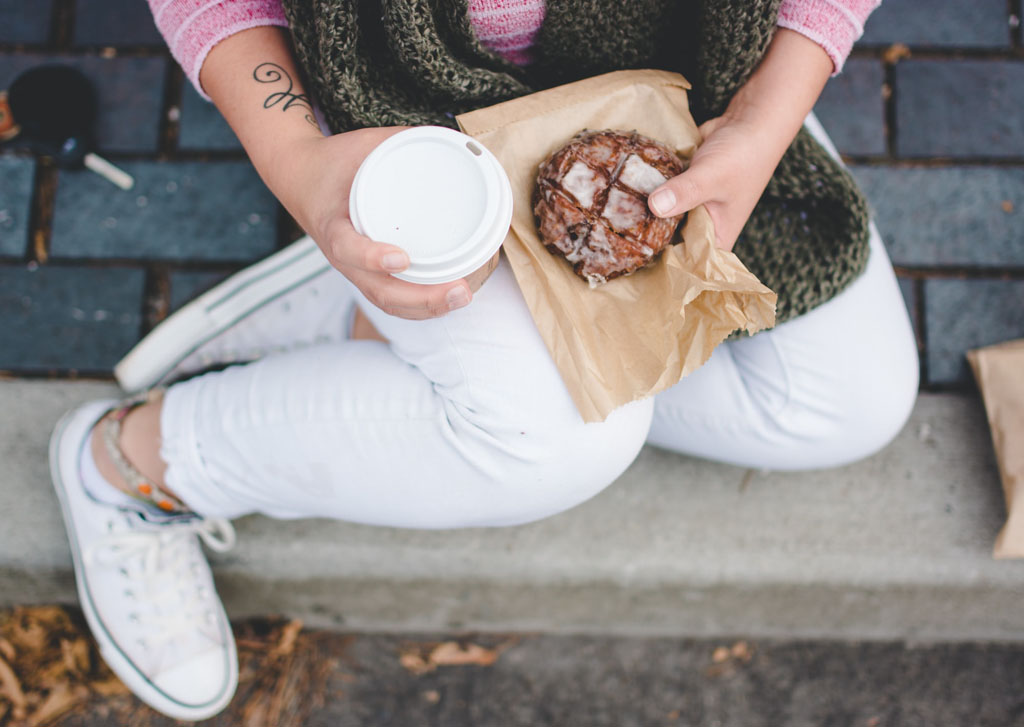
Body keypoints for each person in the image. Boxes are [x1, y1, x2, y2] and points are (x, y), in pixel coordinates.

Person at [49, 0, 917, 719]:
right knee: (568, 439)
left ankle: (377, 327)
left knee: (851, 401)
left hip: (679, 86)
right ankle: (131, 467)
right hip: (418, 134)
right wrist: (298, 164)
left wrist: (767, 117)